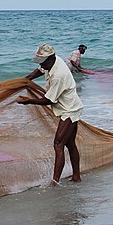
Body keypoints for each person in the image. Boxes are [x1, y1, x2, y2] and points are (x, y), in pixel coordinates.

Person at [17, 44, 84, 186]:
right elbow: (39, 71)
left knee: (58, 144)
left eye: (43, 62)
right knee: (70, 143)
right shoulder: (51, 62)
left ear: (51, 58)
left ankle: (55, 182)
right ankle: (77, 176)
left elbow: (48, 100)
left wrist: (28, 101)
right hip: (70, 106)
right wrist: (25, 80)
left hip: (69, 110)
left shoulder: (59, 75)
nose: (41, 65)